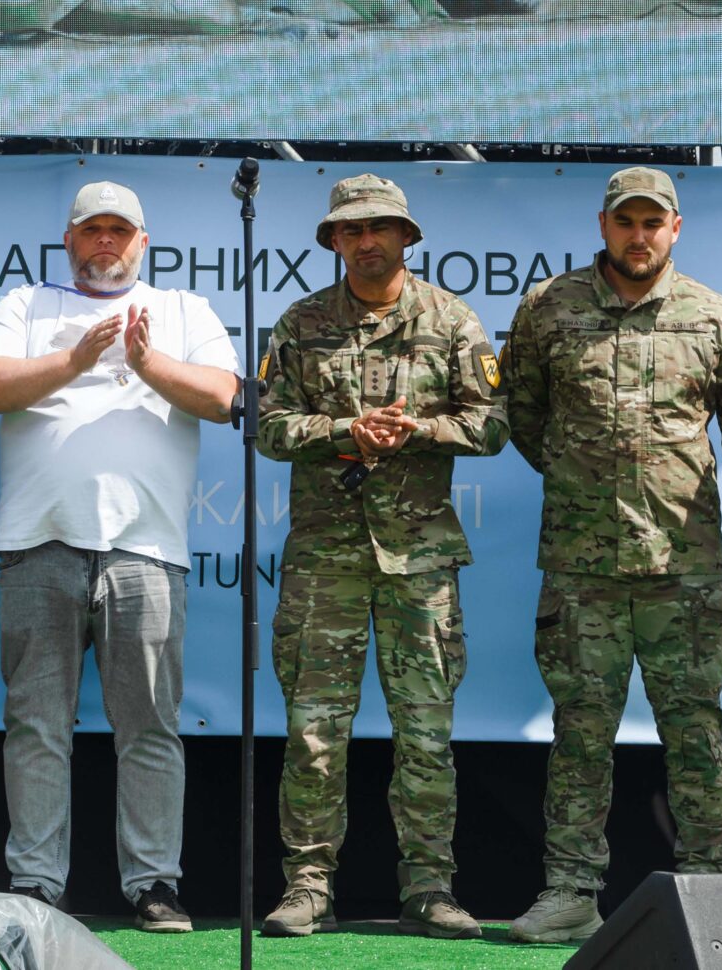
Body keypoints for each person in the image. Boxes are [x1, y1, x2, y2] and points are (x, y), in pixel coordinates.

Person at [498, 166, 722, 943]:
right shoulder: (548, 309)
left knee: (695, 731)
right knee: (579, 735)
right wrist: (580, 478)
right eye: (626, 221)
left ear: (675, 228)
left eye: (653, 221)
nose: (639, 235)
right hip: (581, 565)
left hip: (683, 566)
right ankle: (569, 891)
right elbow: (523, 414)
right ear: (604, 225)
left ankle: (711, 885)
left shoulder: (714, 317)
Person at [0, 181, 241, 932]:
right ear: (69, 240)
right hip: (39, 543)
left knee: (150, 726)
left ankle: (154, 884)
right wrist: (75, 357)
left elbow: (223, 396)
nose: (106, 241)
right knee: (36, 724)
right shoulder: (26, 305)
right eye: (92, 229)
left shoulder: (182, 309)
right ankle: (35, 884)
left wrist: (147, 363)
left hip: (146, 548)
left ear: (143, 241)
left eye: (120, 229)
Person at [256, 175, 505, 941]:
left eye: (380, 228)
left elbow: (493, 424)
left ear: (406, 235)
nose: (367, 241)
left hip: (419, 561)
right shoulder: (301, 323)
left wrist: (420, 431)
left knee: (425, 734)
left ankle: (429, 888)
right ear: (334, 240)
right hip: (324, 562)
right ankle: (307, 887)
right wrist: (344, 431)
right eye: (352, 230)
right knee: (314, 732)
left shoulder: (452, 320)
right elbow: (269, 425)